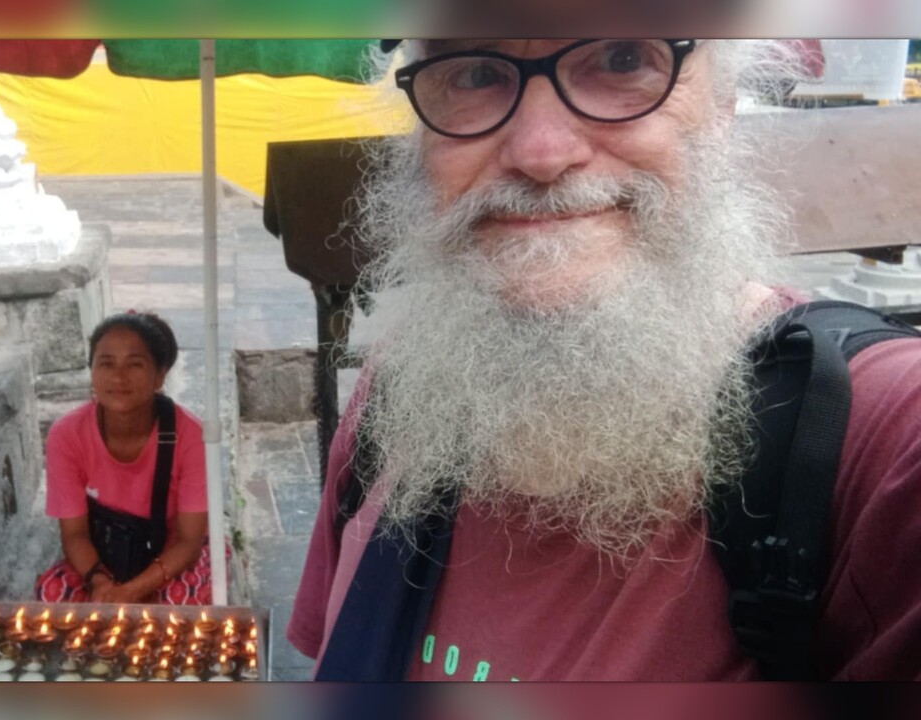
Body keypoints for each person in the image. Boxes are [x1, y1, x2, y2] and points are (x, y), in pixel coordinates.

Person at [289, 39, 921, 680]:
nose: (541, 154)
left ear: (723, 106)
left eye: (623, 60)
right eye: (475, 74)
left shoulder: (882, 438)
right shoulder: (397, 392)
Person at [36, 312, 217, 605]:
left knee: (178, 603)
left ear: (159, 375)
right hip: (104, 557)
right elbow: (74, 534)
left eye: (134, 364)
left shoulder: (191, 436)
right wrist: (100, 582)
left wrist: (131, 592)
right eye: (106, 363)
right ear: (92, 371)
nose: (119, 377)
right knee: (53, 593)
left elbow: (188, 542)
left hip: (171, 557)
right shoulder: (66, 435)